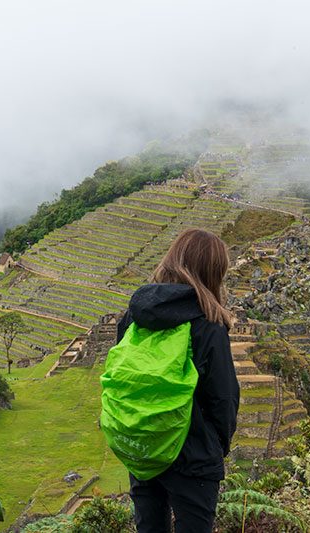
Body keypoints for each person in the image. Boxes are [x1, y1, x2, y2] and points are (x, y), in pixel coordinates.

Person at [116, 228, 240, 532]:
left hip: (145, 446)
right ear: (213, 273)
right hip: (193, 454)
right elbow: (223, 398)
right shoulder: (208, 323)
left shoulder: (135, 316)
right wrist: (215, 448)